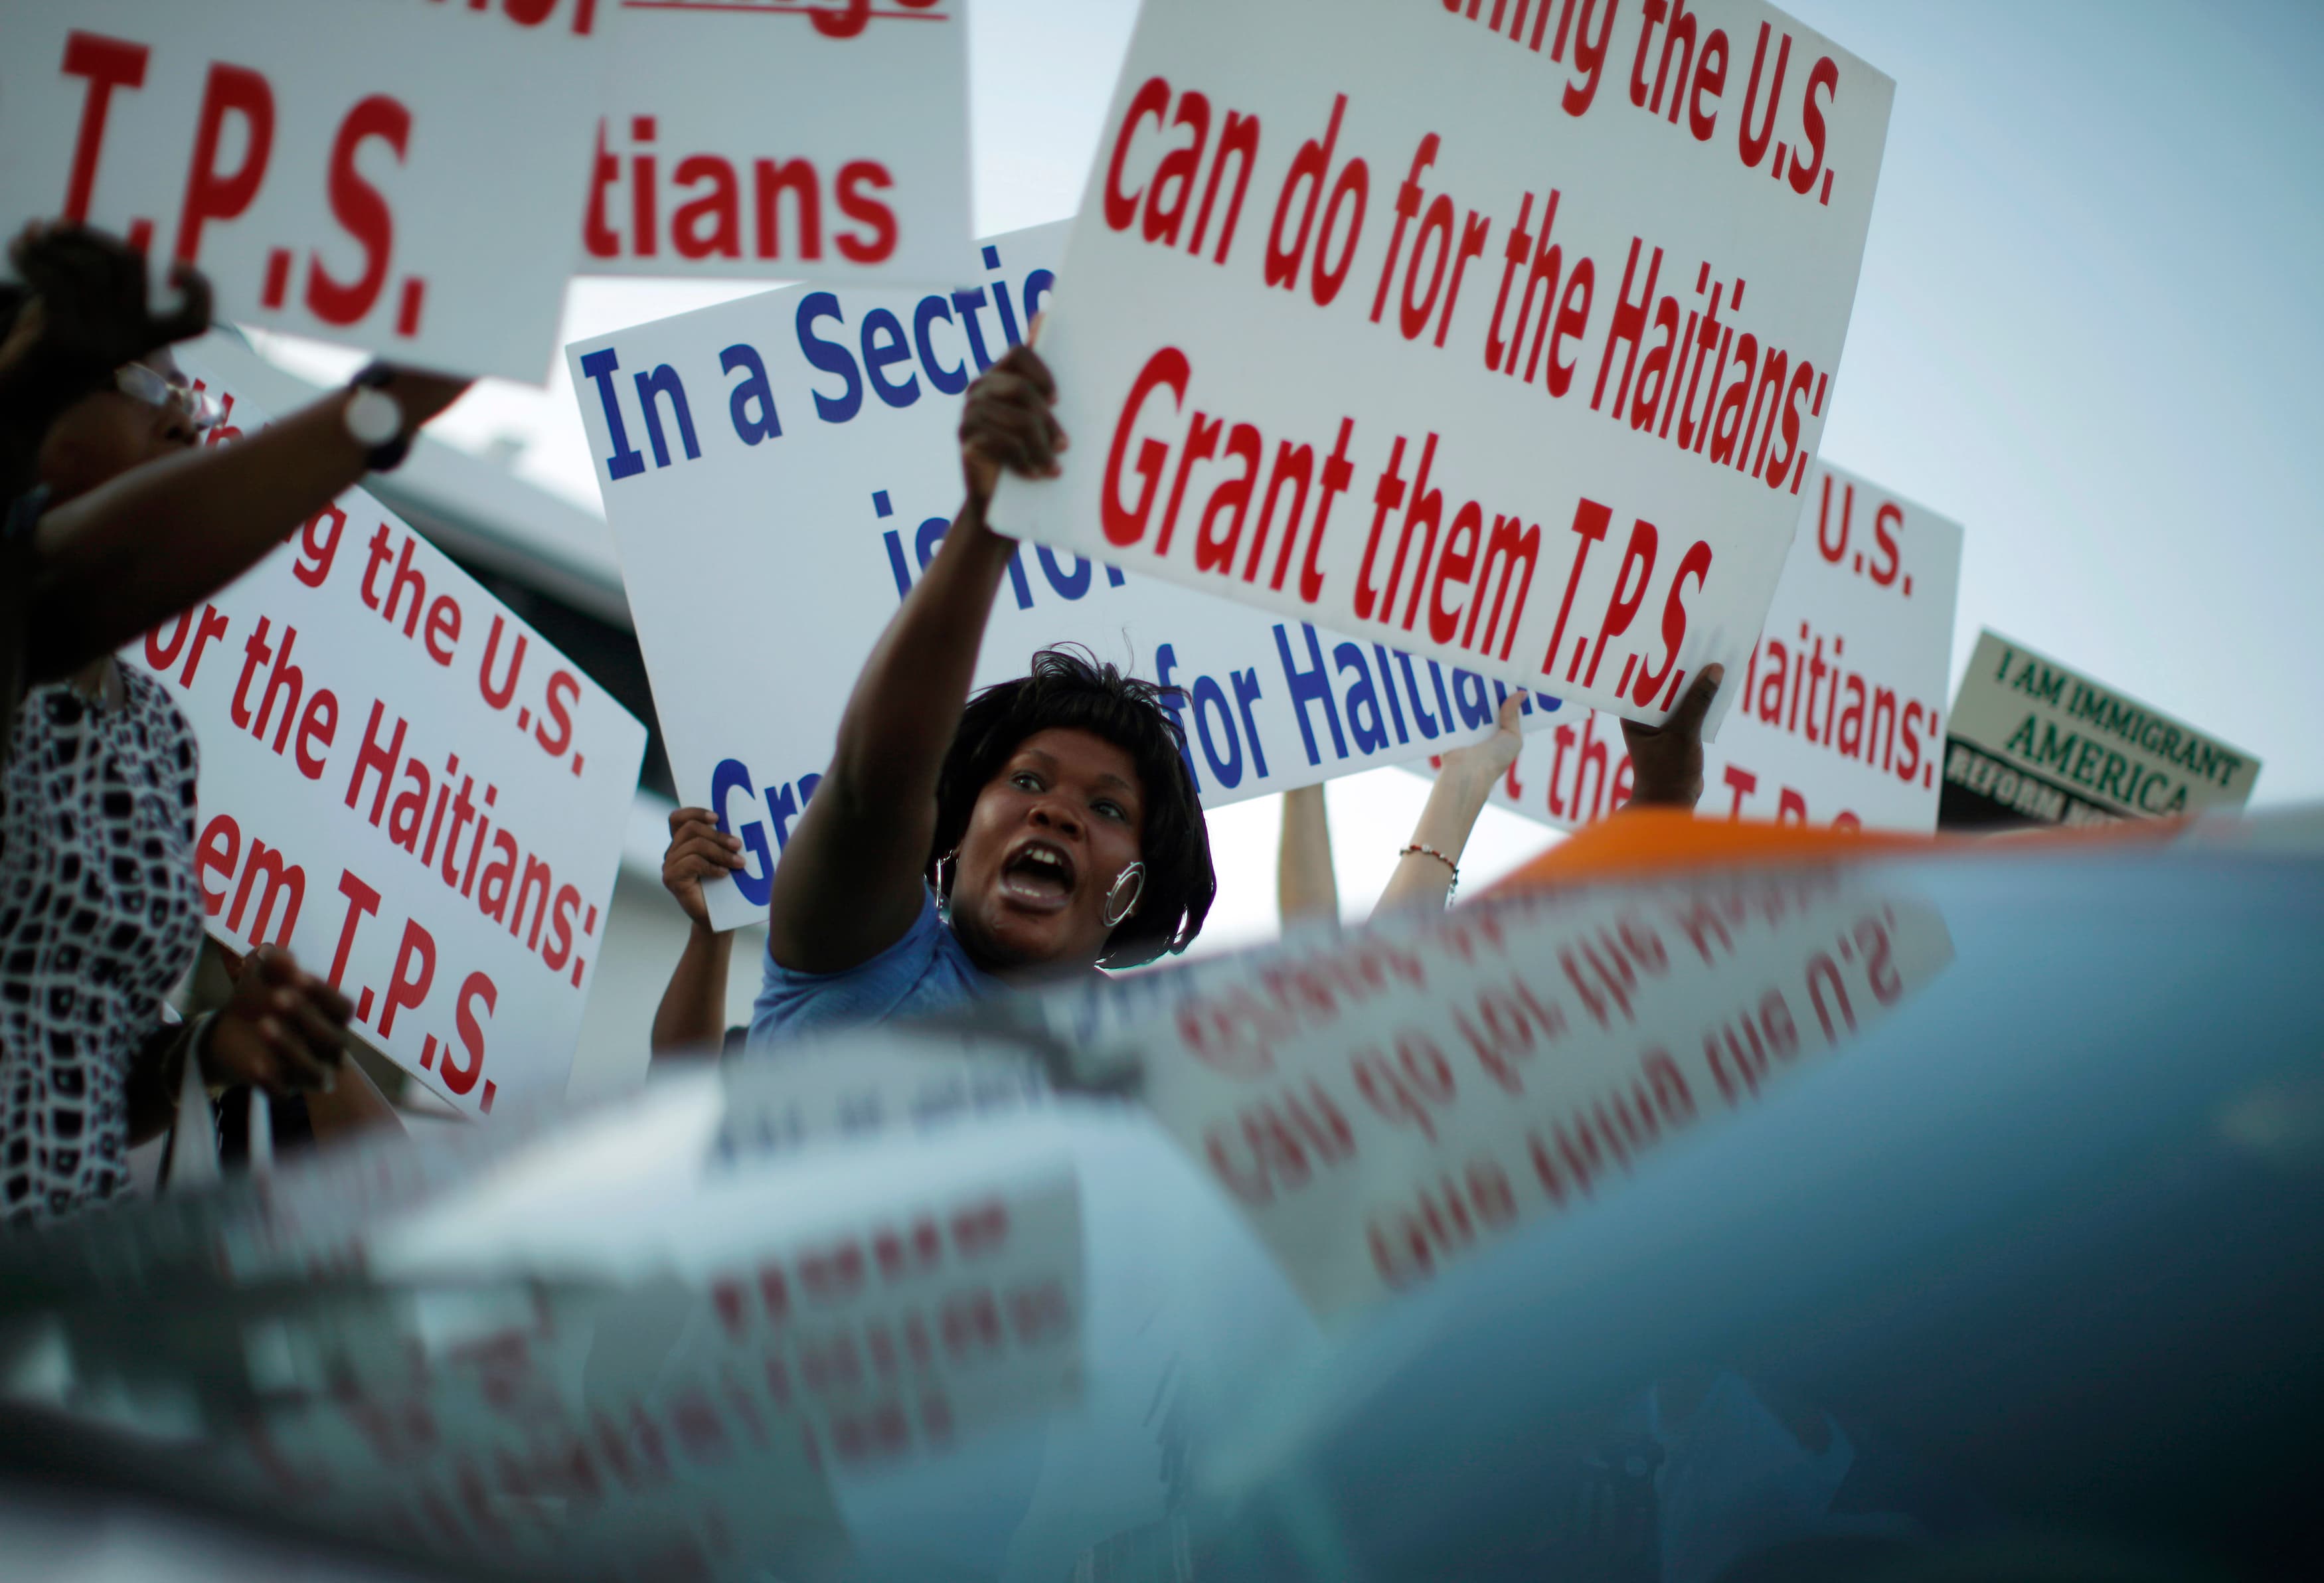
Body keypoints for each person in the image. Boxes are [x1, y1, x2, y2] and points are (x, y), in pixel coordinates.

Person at [0, 242, 467, 1225]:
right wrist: (379, 409)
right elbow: (74, 574)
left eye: (196, 398)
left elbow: (88, 1072)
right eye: (143, 382)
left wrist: (210, 1050)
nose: (184, 416)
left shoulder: (156, 733)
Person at [746, 345, 1213, 1046]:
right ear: (957, 829)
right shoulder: (861, 962)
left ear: (1134, 890)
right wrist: (987, 526)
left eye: (1108, 806)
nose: (1056, 811)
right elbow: (870, 788)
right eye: (1027, 779)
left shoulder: (1142, 1077)